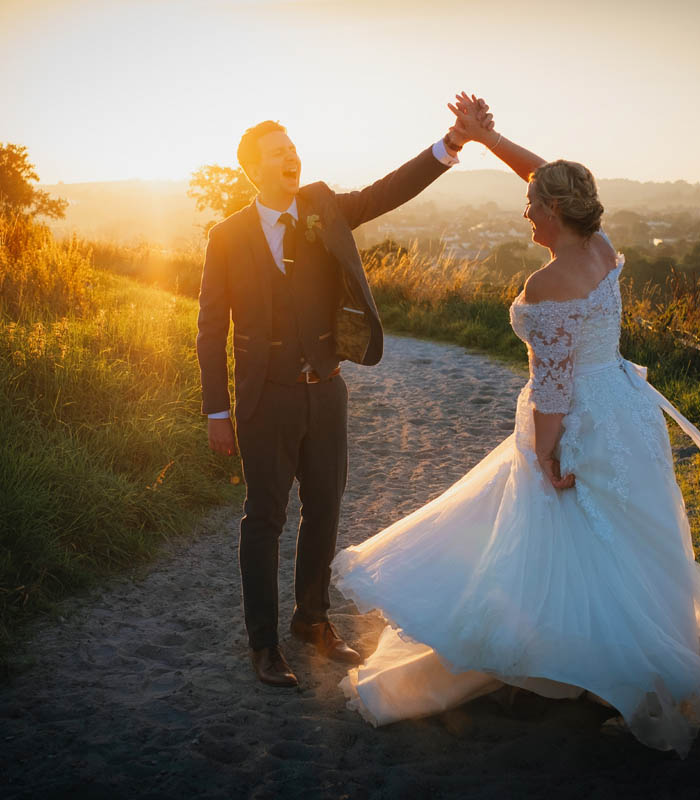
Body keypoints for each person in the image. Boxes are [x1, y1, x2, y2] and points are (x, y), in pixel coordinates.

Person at [329, 94, 700, 757]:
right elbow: (551, 175)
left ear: (556, 212)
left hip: (582, 422)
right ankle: (611, 676)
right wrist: (490, 139)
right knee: (626, 547)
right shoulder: (601, 246)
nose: (525, 209)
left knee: (550, 546)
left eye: (534, 205)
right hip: (627, 411)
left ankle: (559, 670)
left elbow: (552, 388)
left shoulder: (547, 285)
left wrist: (544, 456)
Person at [197, 115, 480, 688]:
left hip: (325, 395)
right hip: (263, 400)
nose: (290, 157)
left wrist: (449, 146)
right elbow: (210, 330)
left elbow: (386, 192)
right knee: (264, 518)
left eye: (293, 147)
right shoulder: (227, 236)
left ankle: (313, 620)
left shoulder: (322, 207)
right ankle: (264, 644)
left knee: (324, 509)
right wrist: (217, 411)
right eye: (277, 151)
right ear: (252, 169)